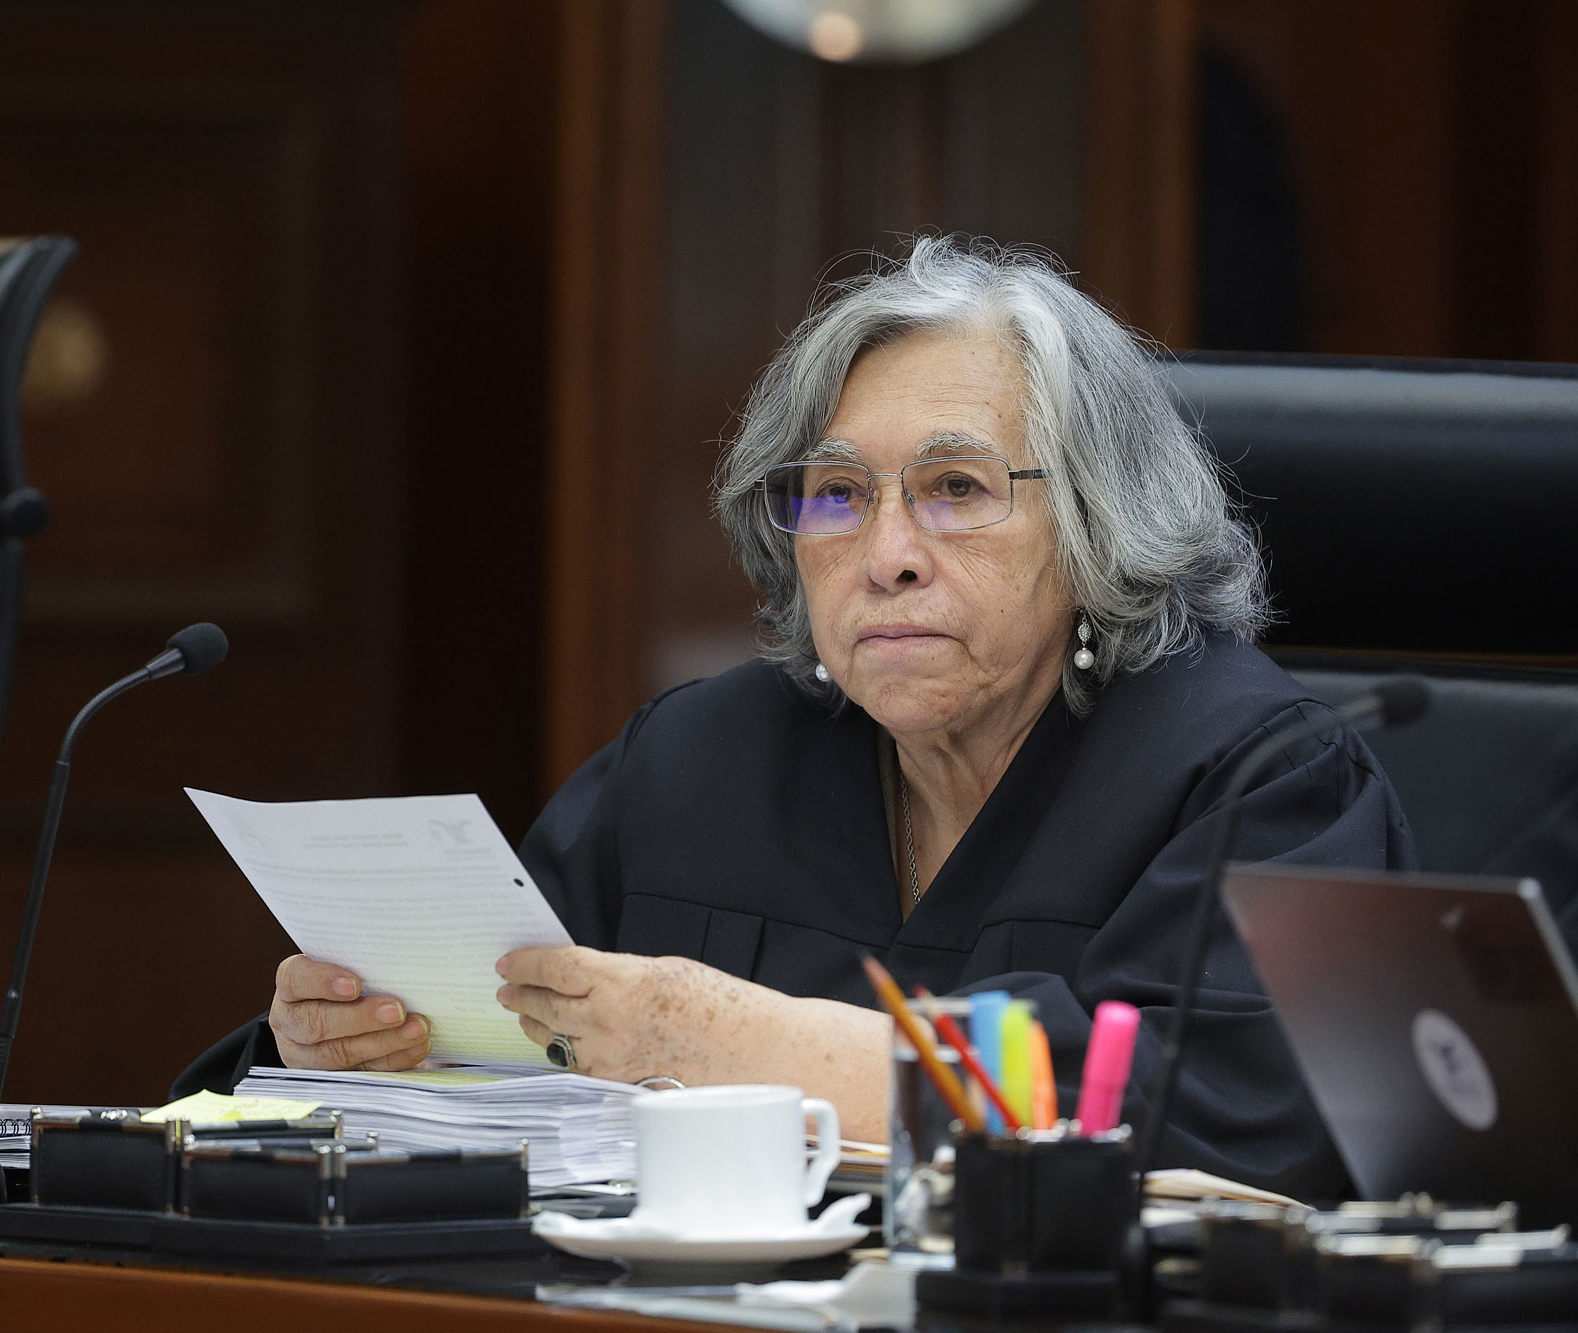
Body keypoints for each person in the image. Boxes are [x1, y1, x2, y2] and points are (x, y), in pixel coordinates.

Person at [178, 236, 1413, 1200]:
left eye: (954, 488)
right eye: (833, 494)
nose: (886, 554)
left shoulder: (1256, 778)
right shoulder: (694, 762)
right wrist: (335, 1043)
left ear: (1098, 521)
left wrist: (728, 1042)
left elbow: (1232, 1129)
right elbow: (491, 1045)